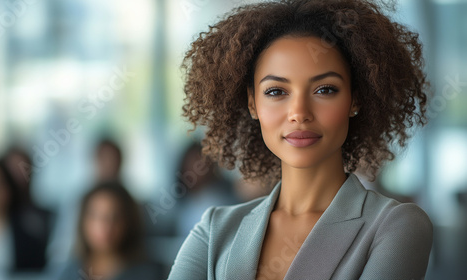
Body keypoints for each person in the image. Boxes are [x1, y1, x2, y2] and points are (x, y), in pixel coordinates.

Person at [168, 0, 433, 279]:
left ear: (355, 99)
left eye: (325, 89)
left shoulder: (396, 225)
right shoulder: (214, 230)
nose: (299, 113)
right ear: (252, 103)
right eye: (276, 92)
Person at [57, 181, 160, 280]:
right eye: (95, 216)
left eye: (115, 217)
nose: (104, 225)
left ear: (129, 222)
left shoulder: (146, 273)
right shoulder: (69, 271)